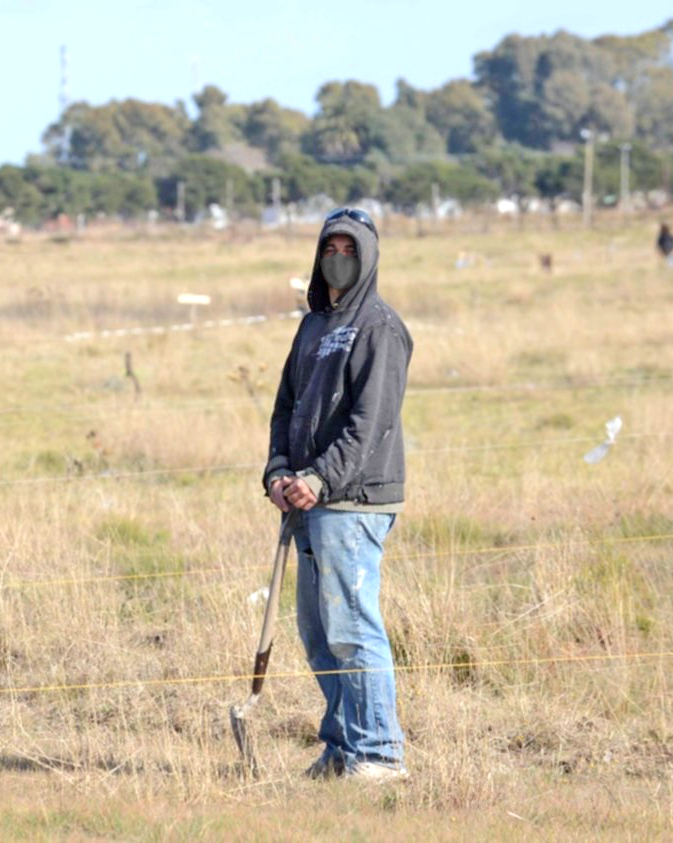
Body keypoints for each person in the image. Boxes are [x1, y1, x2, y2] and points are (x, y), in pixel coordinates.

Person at [262, 207, 413, 782]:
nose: (339, 260)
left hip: (354, 500)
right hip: (306, 499)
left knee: (352, 628)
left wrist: (321, 478)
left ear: (369, 257)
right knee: (320, 635)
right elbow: (286, 406)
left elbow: (371, 421)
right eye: (332, 248)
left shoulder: (379, 327)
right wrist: (279, 471)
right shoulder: (312, 327)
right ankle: (343, 750)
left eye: (351, 251)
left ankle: (379, 754)